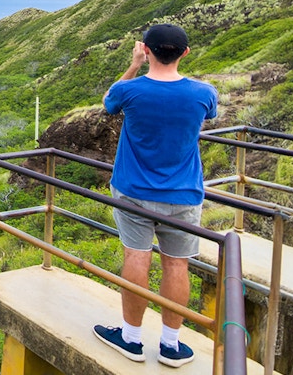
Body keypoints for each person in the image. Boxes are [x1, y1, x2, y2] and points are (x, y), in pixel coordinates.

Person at [93, 23, 218, 368]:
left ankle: (131, 338)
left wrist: (133, 65)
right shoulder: (204, 93)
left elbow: (108, 102)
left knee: (137, 257)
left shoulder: (130, 92)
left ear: (145, 50)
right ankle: (170, 344)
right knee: (177, 265)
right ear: (185, 53)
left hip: (134, 190)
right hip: (183, 194)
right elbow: (210, 115)